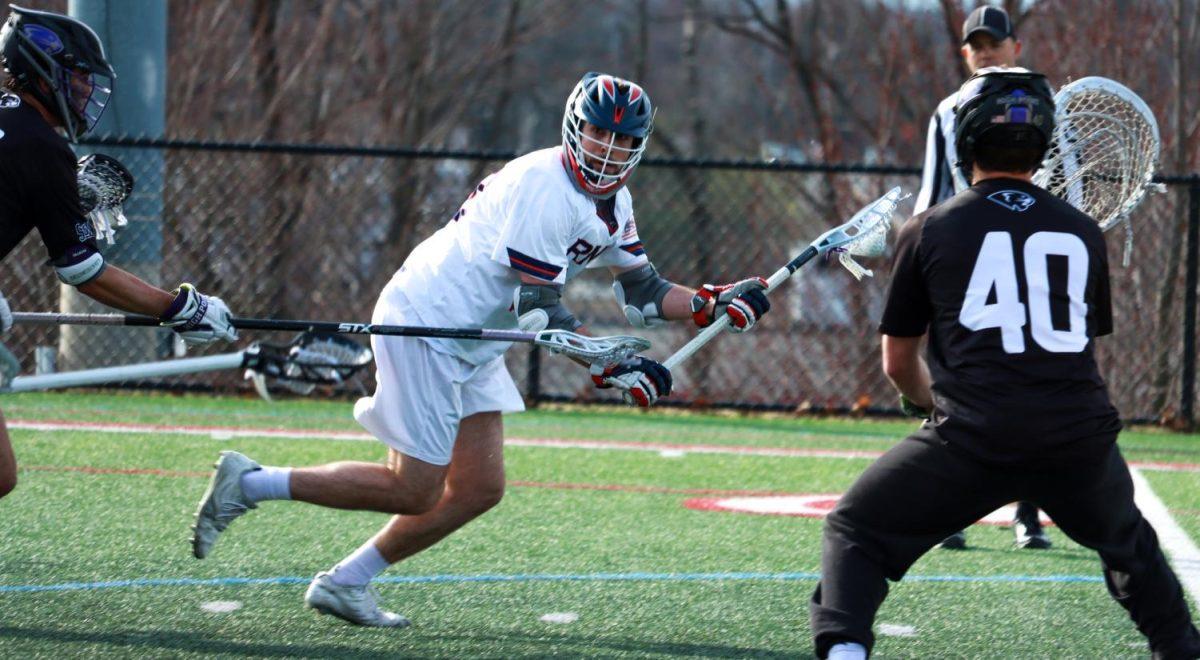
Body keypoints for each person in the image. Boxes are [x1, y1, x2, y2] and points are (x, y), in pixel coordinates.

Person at [188, 71, 772, 627]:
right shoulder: (546, 186)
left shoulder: (615, 203)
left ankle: (346, 581)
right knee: (415, 488)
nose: (609, 148)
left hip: (474, 336)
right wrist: (614, 365)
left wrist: (709, 303)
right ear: (575, 127)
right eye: (600, 131)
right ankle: (251, 483)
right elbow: (540, 312)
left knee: (477, 488)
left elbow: (642, 293)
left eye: (623, 138)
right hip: (429, 324)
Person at [808, 67, 1200, 660]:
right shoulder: (1082, 231)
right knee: (1130, 547)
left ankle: (844, 652)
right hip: (1077, 438)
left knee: (855, 531)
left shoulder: (929, 228)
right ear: (1043, 145)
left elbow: (897, 363)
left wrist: (926, 404)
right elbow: (1081, 340)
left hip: (974, 436)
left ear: (963, 141)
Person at [0, 6, 237, 500]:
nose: (86, 90)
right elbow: (84, 272)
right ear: (43, 73)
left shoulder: (24, 137)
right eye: (79, 77)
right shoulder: (42, 147)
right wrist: (178, 308)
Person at [913, 4, 1049, 551]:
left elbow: (1071, 192)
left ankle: (1029, 511)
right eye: (976, 43)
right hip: (970, 270)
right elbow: (931, 198)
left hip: (1034, 269)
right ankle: (950, 509)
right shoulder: (948, 112)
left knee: (1036, 385)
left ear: (1016, 46)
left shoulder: (1048, 108)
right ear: (965, 53)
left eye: (995, 41)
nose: (985, 50)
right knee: (955, 386)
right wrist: (919, 264)